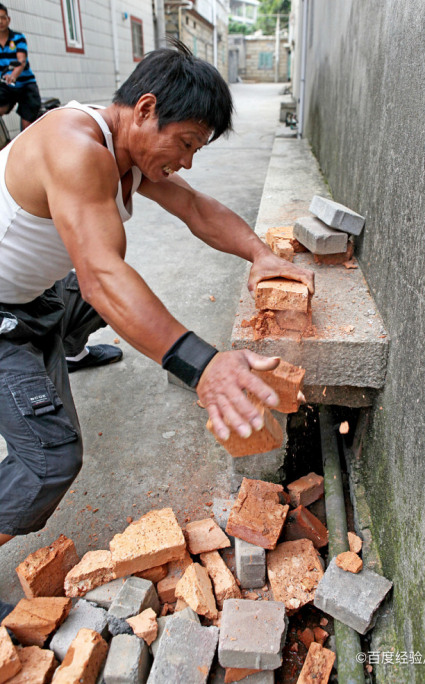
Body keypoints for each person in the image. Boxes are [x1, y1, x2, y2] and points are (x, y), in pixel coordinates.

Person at [0, 42, 314, 565]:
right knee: (50, 459)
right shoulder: (75, 147)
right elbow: (101, 277)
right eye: (186, 143)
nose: (187, 161)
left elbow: (194, 206)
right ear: (145, 109)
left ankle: (66, 349)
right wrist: (203, 365)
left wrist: (259, 254)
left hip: (35, 290)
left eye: (197, 150)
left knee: (124, 295)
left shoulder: (129, 150)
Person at [0, 3, 41, 130]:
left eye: (2, 17)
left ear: (8, 19)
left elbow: (21, 61)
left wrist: (13, 76)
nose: (0, 21)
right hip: (6, 86)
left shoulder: (18, 38)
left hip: (26, 85)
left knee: (26, 127)